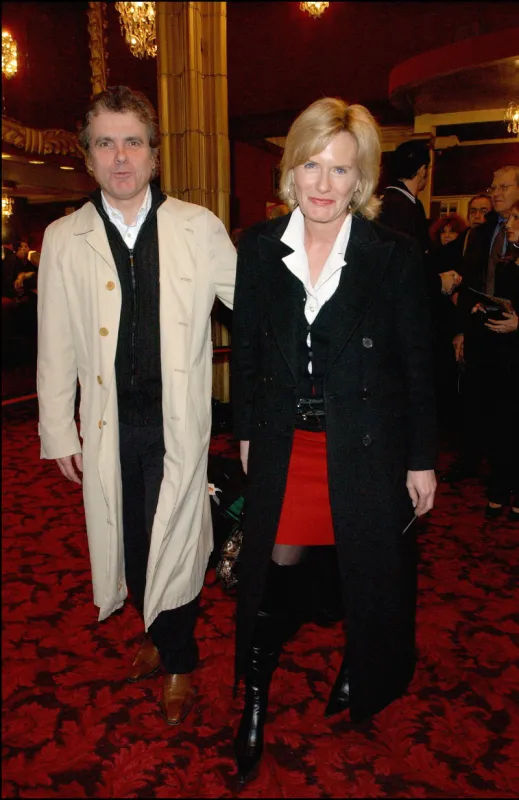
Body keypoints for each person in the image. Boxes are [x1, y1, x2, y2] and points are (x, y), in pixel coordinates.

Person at [231, 97, 437, 784]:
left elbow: (417, 366)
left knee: (364, 569)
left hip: (367, 445)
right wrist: (246, 432)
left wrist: (421, 459)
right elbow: (249, 353)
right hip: (288, 444)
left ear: (361, 179)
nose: (323, 184)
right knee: (271, 573)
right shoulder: (259, 248)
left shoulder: (392, 255)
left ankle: (362, 662)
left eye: (340, 170)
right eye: (311, 165)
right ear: (291, 171)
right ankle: (254, 697)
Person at [37, 85, 236, 725]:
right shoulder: (64, 237)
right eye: (105, 143)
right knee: (129, 541)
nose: (120, 156)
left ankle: (178, 659)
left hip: (175, 423)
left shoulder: (198, 227)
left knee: (174, 538)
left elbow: (257, 306)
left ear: (154, 153)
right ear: (87, 157)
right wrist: (57, 428)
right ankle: (155, 628)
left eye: (133, 142)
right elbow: (54, 340)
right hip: (107, 425)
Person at [443, 166, 519, 484]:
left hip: (513, 334)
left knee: (508, 408)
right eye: (493, 187)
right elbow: (468, 285)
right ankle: (470, 462)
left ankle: (504, 473)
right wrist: (460, 330)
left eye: (503, 187)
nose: (496, 193)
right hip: (479, 328)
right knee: (473, 399)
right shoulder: (479, 233)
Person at [468, 202, 519, 520]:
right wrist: (487, 307)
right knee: (502, 424)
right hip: (505, 357)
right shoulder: (508, 263)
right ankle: (500, 488)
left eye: (515, 218)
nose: (508, 224)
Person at [380, 140, 461, 299]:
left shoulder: (387, 201)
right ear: (422, 170)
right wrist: (438, 282)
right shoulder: (406, 207)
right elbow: (405, 266)